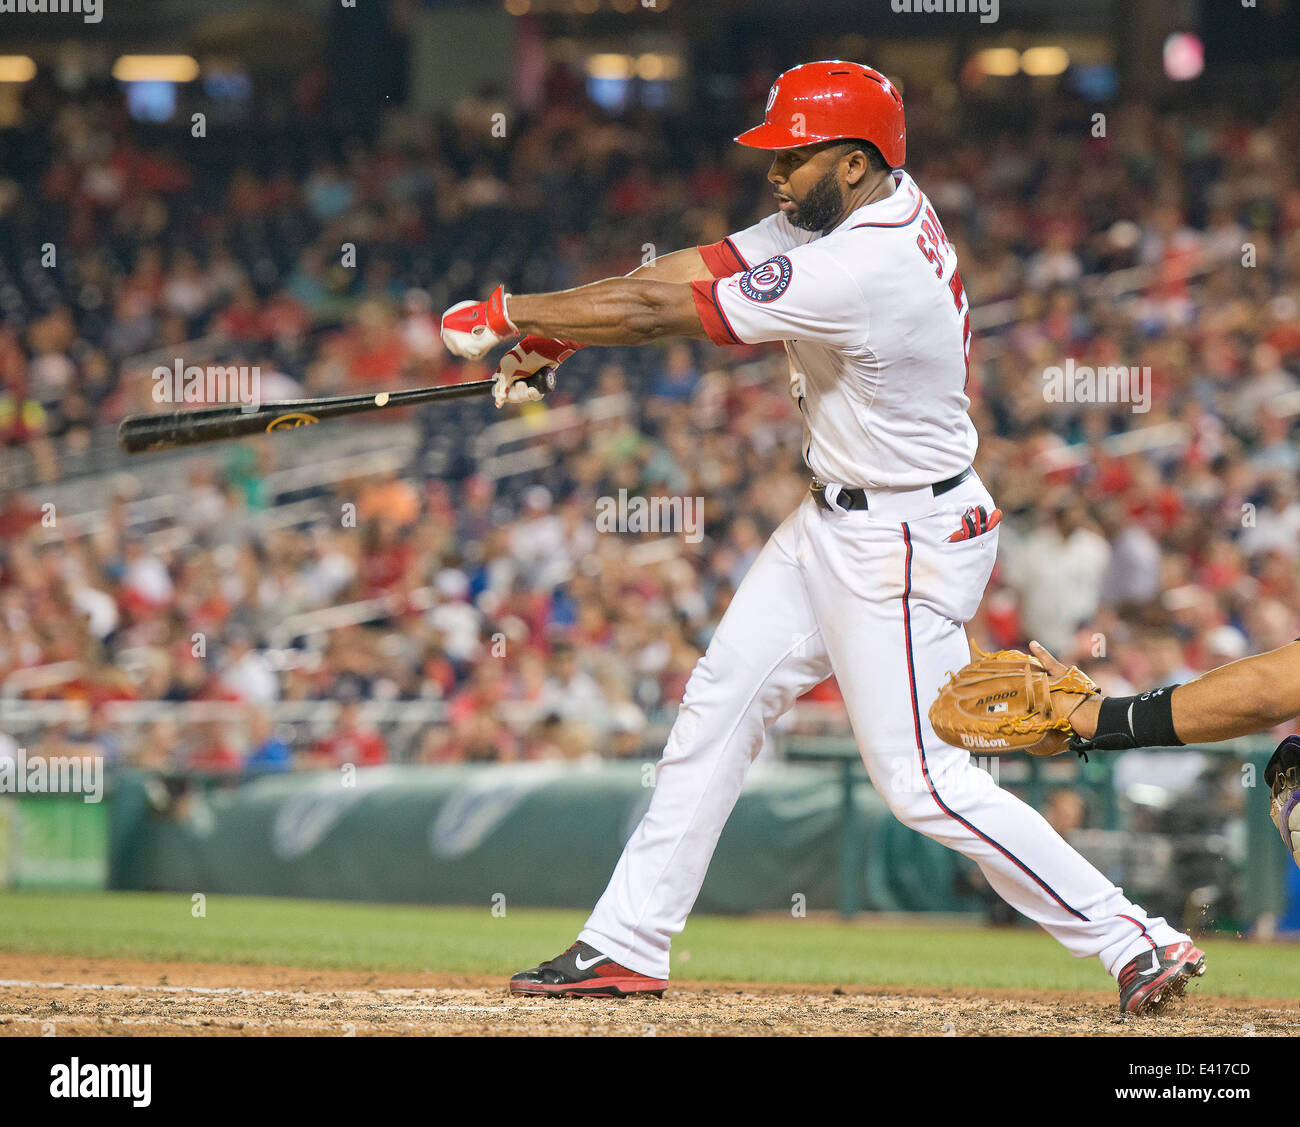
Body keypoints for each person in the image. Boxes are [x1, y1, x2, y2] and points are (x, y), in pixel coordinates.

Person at [440, 61, 1203, 1016]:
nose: (774, 169)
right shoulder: (855, 206)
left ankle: (1138, 936)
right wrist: (562, 335)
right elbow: (691, 269)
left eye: (793, 154)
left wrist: (517, 312)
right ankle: (625, 942)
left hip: (903, 533)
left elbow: (665, 310)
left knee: (925, 782)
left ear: (851, 163)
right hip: (839, 518)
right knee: (719, 703)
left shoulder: (861, 263)